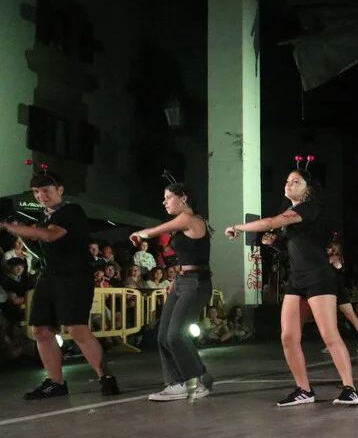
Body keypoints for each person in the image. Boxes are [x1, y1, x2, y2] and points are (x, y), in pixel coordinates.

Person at [224, 164, 358, 406]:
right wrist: (275, 244)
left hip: (319, 276)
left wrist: (238, 227)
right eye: (287, 181)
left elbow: (271, 221)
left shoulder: (309, 208)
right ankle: (304, 390)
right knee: (288, 337)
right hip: (297, 280)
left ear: (308, 189)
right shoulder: (290, 213)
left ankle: (350, 389)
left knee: (329, 335)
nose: (288, 184)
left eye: (295, 181)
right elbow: (295, 248)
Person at [1, 164, 119, 398]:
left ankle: (105, 377)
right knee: (40, 330)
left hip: (74, 275)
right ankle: (55, 382)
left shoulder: (71, 211)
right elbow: (41, 248)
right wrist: (23, 234)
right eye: (36, 192)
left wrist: (14, 228)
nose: (41, 196)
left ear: (60, 190)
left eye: (46, 190)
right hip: (49, 275)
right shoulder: (43, 217)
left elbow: (50, 235)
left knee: (77, 329)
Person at [130, 182, 214, 401]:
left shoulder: (190, 220)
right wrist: (174, 281)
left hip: (196, 282)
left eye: (168, 197)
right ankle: (175, 384)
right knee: (163, 336)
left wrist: (141, 233)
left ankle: (201, 378)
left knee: (175, 335)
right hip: (181, 281)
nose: (164, 202)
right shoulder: (181, 224)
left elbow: (157, 230)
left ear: (183, 198)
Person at [321, 241, 358, 354]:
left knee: (350, 316)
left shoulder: (335, 259)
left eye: (329, 248)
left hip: (338, 292)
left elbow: (327, 266)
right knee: (331, 318)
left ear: (334, 249)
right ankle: (332, 343)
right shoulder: (331, 259)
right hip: (332, 292)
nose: (327, 250)